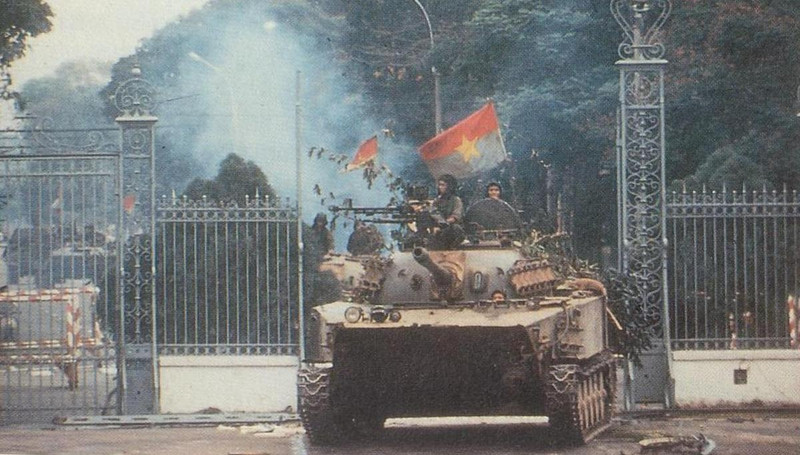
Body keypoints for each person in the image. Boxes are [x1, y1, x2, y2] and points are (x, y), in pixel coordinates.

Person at [429, 174, 465, 249]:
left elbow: (455, 217)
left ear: (449, 187)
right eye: (439, 185)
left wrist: (443, 224)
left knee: (456, 228)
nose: (440, 187)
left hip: (451, 230)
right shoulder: (437, 201)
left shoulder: (456, 200)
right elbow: (433, 213)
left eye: (443, 185)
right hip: (438, 230)